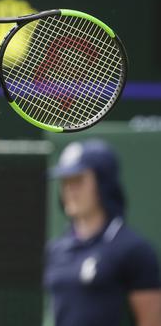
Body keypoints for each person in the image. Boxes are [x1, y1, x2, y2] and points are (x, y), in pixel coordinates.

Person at [44, 139, 161, 326]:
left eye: (78, 180)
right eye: (65, 181)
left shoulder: (135, 250)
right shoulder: (56, 249)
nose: (69, 190)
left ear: (102, 183)